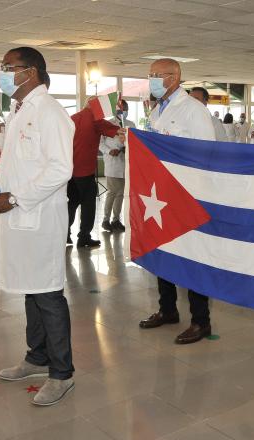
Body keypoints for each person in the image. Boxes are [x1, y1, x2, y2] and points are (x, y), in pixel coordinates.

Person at [0, 47, 75, 406]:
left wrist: (15, 197)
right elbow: (14, 164)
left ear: (33, 72)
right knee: (31, 288)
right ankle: (36, 357)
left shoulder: (50, 112)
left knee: (48, 292)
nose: (5, 73)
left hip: (39, 216)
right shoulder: (19, 110)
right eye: (4, 67)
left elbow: (60, 170)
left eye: (11, 67)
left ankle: (62, 373)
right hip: (19, 216)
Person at [139, 58, 217, 345]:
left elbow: (205, 153)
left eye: (157, 75)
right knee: (163, 253)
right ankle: (167, 309)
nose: (152, 80)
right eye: (150, 75)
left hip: (187, 196)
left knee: (193, 259)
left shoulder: (193, 110)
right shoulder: (157, 109)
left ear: (175, 77)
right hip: (160, 196)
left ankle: (201, 321)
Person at [67, 100, 121, 248]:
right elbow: (116, 130)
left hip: (70, 169)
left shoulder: (72, 118)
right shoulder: (95, 119)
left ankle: (65, 233)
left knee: (72, 202)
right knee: (88, 204)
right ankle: (84, 237)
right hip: (85, 170)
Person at [101, 100, 135, 233]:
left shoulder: (130, 124)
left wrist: (127, 148)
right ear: (116, 110)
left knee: (121, 193)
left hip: (125, 163)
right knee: (112, 192)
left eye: (125, 109)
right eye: (121, 109)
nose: (124, 112)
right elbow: (100, 144)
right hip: (112, 161)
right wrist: (109, 151)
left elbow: (134, 142)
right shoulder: (107, 124)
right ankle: (105, 220)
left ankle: (116, 220)